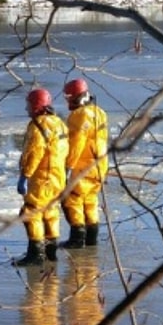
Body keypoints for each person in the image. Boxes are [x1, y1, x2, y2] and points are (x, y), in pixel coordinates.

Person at [15, 88, 69, 267]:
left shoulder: (38, 125)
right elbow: (66, 149)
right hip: (57, 177)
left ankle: (36, 254)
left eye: (29, 105)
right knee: (51, 212)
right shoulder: (59, 122)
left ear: (36, 106)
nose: (26, 109)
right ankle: (50, 251)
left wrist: (25, 175)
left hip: (42, 178)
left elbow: (35, 152)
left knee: (31, 212)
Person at [60, 78, 108, 248]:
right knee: (90, 201)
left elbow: (77, 143)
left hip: (82, 165)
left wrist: (68, 166)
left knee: (73, 200)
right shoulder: (99, 112)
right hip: (99, 165)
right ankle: (91, 239)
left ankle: (77, 239)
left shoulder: (79, 115)